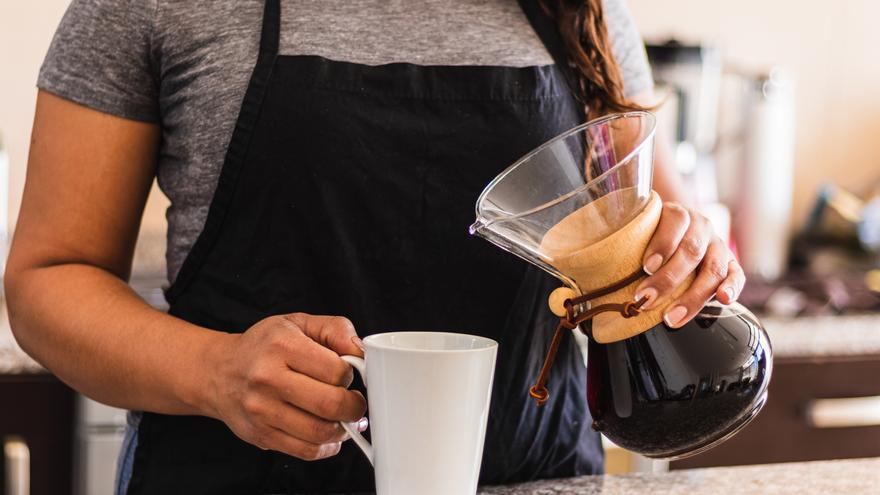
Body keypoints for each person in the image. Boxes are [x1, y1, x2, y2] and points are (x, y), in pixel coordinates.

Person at [6, 0, 745, 493]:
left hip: (531, 476)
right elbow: (46, 278)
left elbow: (656, 222)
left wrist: (683, 255)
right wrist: (213, 370)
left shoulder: (577, 7)